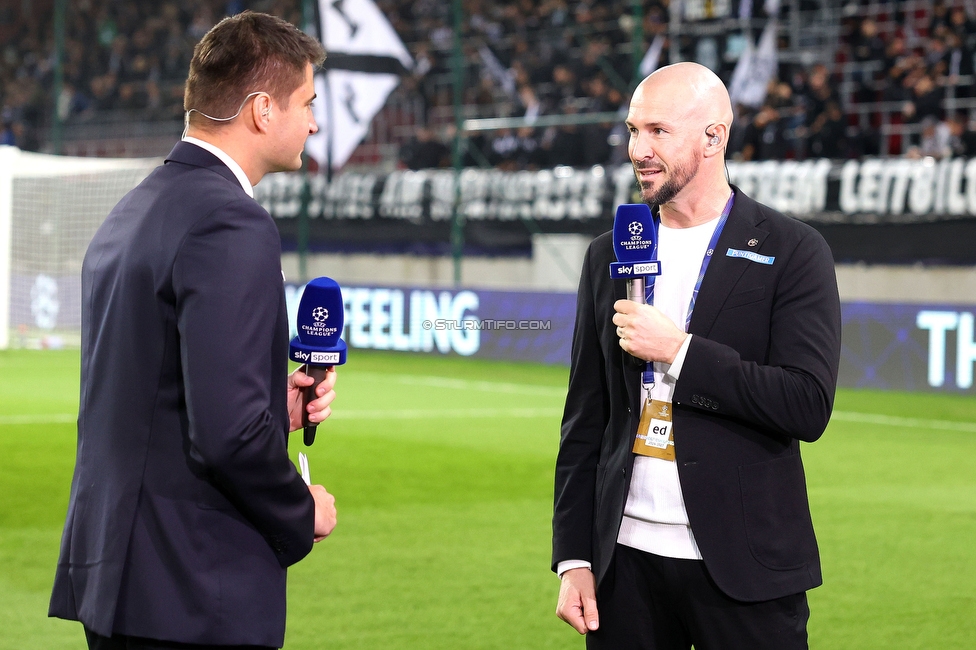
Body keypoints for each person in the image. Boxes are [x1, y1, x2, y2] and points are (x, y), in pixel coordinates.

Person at [49, 12, 336, 650]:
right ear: (262, 110)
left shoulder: (134, 209)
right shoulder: (230, 223)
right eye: (307, 103)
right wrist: (301, 510)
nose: (314, 123)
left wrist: (269, 406)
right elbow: (227, 437)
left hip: (120, 582)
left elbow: (151, 395)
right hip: (191, 591)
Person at [552, 62, 841, 649]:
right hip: (622, 565)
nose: (638, 150)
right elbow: (585, 418)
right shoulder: (609, 252)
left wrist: (678, 352)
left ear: (714, 135)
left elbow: (806, 404)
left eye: (658, 131)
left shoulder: (792, 250)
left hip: (742, 567)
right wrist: (573, 557)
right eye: (633, 131)